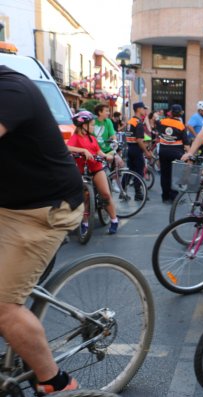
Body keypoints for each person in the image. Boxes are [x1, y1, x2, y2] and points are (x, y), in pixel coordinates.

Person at [0, 65, 83, 394]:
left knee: (4, 307)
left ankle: (56, 382)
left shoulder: (11, 91)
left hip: (44, 209)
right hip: (8, 203)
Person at [67, 110, 119, 234]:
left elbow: (98, 151)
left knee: (105, 194)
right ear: (83, 126)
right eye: (91, 124)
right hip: (82, 171)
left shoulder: (92, 138)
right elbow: (66, 147)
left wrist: (107, 156)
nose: (93, 126)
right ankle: (84, 222)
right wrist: (83, 150)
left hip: (96, 169)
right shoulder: (76, 137)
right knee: (84, 198)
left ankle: (114, 220)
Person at [157, 104, 190, 203]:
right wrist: (189, 154)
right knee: (175, 175)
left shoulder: (162, 122)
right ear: (180, 113)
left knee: (164, 174)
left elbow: (157, 130)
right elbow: (186, 144)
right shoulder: (181, 125)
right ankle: (174, 197)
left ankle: (165, 197)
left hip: (163, 152)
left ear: (171, 112)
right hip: (176, 153)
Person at [125, 102, 153, 200]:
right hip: (136, 150)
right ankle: (138, 194)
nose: (145, 111)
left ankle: (123, 191)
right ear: (138, 109)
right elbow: (139, 140)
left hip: (130, 149)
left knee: (130, 170)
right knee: (139, 172)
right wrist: (146, 152)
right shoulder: (138, 123)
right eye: (143, 108)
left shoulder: (130, 121)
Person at [94, 104, 124, 170]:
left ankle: (113, 178)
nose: (109, 113)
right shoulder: (93, 122)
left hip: (107, 150)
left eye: (109, 111)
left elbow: (113, 135)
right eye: (106, 111)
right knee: (101, 169)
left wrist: (115, 141)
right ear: (100, 112)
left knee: (120, 163)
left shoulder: (108, 121)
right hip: (96, 151)